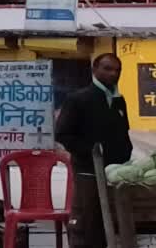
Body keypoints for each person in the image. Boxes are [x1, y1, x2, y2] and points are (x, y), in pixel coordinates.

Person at [55, 53, 133, 248]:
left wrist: (125, 153)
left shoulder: (118, 100)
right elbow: (63, 135)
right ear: (95, 70)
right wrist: (91, 151)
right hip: (88, 170)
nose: (113, 73)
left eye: (117, 70)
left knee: (113, 217)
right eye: (107, 68)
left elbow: (124, 131)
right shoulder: (78, 99)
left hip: (116, 170)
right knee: (89, 218)